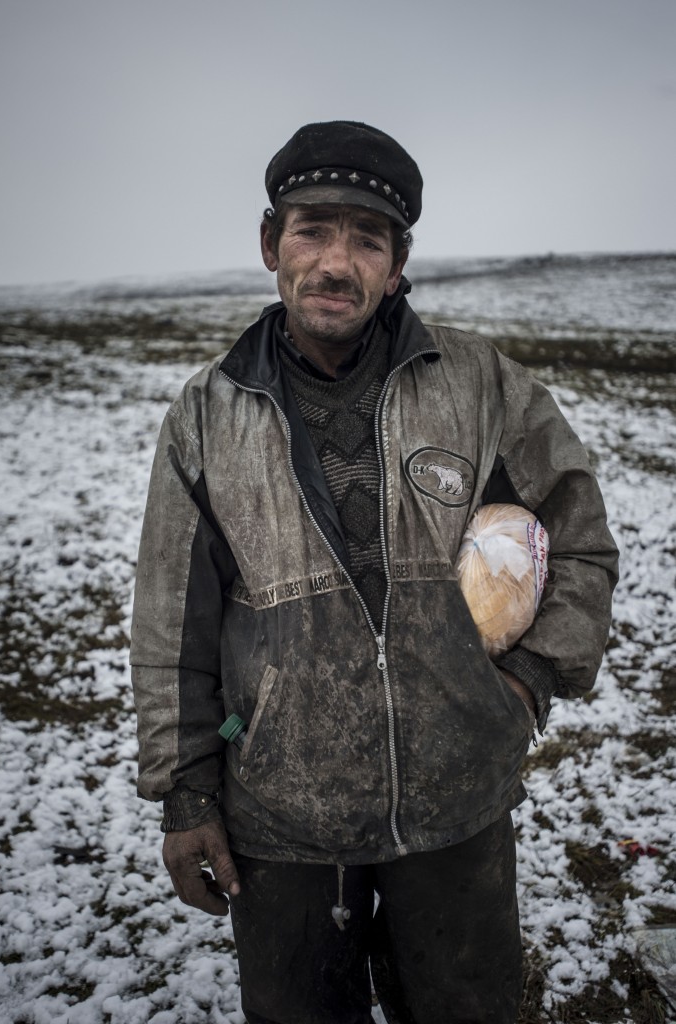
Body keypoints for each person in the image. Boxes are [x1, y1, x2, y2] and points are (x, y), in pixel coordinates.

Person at [130, 121, 619, 1024]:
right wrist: (187, 792)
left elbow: (579, 534)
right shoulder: (206, 416)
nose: (335, 261)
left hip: (456, 803)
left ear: (398, 265)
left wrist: (530, 678)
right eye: (313, 228)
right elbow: (171, 622)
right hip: (282, 813)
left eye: (368, 238)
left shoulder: (479, 384)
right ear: (271, 243)